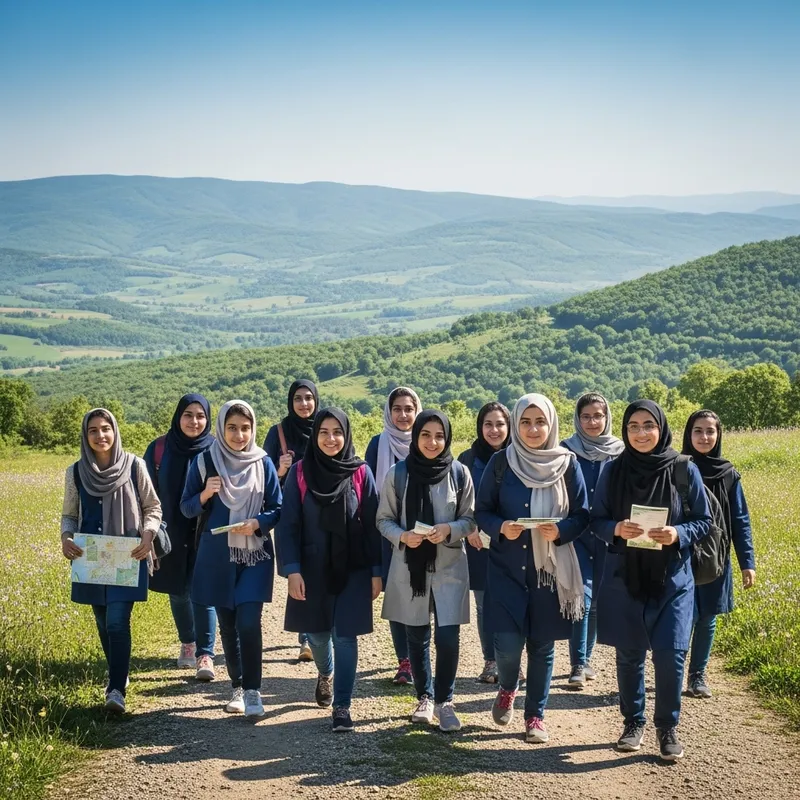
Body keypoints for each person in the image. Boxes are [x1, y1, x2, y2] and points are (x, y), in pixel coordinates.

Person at [591, 400, 711, 761]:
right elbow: (595, 520)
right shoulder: (612, 472)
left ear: (661, 428)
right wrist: (615, 528)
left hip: (672, 579)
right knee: (629, 655)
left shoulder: (683, 470)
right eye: (633, 427)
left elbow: (704, 521)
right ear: (625, 431)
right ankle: (633, 722)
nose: (641, 433)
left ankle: (667, 726)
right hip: (625, 575)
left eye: (648, 425)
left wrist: (677, 533)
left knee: (671, 654)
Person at [476, 393, 589, 744]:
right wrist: (500, 527)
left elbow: (584, 514)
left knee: (542, 646)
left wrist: (563, 530)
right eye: (525, 421)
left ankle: (535, 715)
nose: (533, 428)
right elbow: (481, 511)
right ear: (515, 424)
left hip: (550, 573)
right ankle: (509, 686)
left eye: (540, 421)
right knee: (507, 646)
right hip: (507, 569)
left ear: (552, 424)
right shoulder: (501, 463)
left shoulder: (568, 464)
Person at [277, 408, 382, 732]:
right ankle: (325, 672)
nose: (331, 438)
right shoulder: (299, 474)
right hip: (311, 569)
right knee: (319, 636)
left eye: (337, 432)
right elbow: (288, 525)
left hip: (354, 568)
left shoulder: (361, 472)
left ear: (347, 434)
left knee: (346, 637)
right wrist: (292, 570)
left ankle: (342, 706)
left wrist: (377, 571)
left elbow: (373, 526)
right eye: (324, 432)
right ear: (316, 436)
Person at [181, 400, 281, 718]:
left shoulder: (263, 462)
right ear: (222, 429)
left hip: (255, 554)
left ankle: (253, 691)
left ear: (253, 430)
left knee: (249, 622)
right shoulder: (203, 462)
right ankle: (237, 687)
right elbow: (185, 508)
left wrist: (259, 522)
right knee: (228, 625)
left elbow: (278, 507)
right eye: (232, 428)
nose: (239, 435)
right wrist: (204, 495)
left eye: (245, 428)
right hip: (217, 557)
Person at [377, 410, 476, 732]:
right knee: (416, 635)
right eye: (425, 435)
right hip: (410, 567)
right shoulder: (399, 474)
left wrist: (449, 529)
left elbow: (471, 520)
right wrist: (402, 536)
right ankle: (425, 697)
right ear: (416, 437)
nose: (432, 442)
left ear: (447, 438)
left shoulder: (459, 473)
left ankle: (445, 701)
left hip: (449, 567)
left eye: (439, 436)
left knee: (448, 637)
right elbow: (383, 519)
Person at [61, 408, 162, 714]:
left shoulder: (134, 466)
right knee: (103, 622)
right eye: (93, 430)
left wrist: (148, 534)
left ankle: (115, 689)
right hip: (90, 557)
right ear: (85, 435)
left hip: (127, 556)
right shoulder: (76, 472)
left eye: (106, 428)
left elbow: (152, 507)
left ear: (115, 431)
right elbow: (69, 514)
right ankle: (120, 671)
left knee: (118, 621)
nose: (100, 435)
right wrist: (66, 538)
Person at [682, 409, 756, 699]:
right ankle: (672, 667)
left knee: (708, 616)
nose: (704, 436)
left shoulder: (728, 474)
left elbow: (740, 520)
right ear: (689, 434)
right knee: (682, 614)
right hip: (682, 553)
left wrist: (746, 562)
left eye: (710, 431)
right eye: (698, 430)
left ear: (718, 434)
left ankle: (697, 675)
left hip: (716, 556)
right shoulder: (678, 468)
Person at [144, 394, 217, 681]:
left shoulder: (216, 449)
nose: (195, 421)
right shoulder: (160, 449)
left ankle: (206, 653)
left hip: (206, 531)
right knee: (178, 591)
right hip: (169, 532)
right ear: (178, 416)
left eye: (200, 415)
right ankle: (188, 641)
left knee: (204, 592)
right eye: (188, 414)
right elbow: (145, 493)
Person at [560, 392, 624, 689]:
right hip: (577, 535)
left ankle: (586, 659)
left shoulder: (621, 452)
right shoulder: (565, 451)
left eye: (598, 416)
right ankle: (577, 664)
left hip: (608, 535)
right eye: (586, 416)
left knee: (597, 600)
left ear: (607, 417)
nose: (592, 421)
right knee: (580, 599)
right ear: (577, 418)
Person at [365, 386, 422, 685]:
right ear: (389, 412)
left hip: (423, 533)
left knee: (422, 596)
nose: (403, 415)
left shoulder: (427, 441)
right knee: (398, 596)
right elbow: (369, 492)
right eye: (397, 409)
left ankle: (419, 656)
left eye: (408, 409)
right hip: (387, 533)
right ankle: (405, 661)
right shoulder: (377, 445)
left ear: (417, 411)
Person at [264, 379, 319, 663]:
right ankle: (306, 637)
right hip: (292, 514)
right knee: (298, 570)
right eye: (298, 398)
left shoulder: (325, 427)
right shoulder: (278, 433)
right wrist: (279, 468)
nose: (304, 404)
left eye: (309, 398)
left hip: (322, 513)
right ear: (290, 401)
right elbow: (262, 476)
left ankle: (315, 633)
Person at [457, 401, 510, 684]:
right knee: (484, 604)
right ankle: (490, 661)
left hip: (514, 543)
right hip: (477, 542)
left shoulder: (521, 455)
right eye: (488, 424)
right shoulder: (467, 458)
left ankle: (511, 661)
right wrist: (469, 529)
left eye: (500, 424)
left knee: (512, 603)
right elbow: (459, 500)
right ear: (480, 427)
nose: (494, 430)